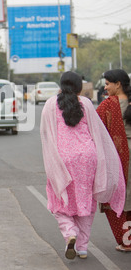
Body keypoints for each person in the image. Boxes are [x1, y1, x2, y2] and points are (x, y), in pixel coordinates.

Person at [40, 71, 125, 260]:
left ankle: (70, 232)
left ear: (61, 86)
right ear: (79, 87)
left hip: (63, 157)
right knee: (86, 199)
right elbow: (98, 133)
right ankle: (83, 247)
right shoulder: (86, 103)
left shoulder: (50, 105)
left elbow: (46, 135)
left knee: (60, 201)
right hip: (87, 158)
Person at [96, 69, 131, 252]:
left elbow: (93, 128)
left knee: (118, 199)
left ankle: (127, 241)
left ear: (118, 84)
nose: (106, 87)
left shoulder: (108, 105)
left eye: (108, 83)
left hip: (119, 157)